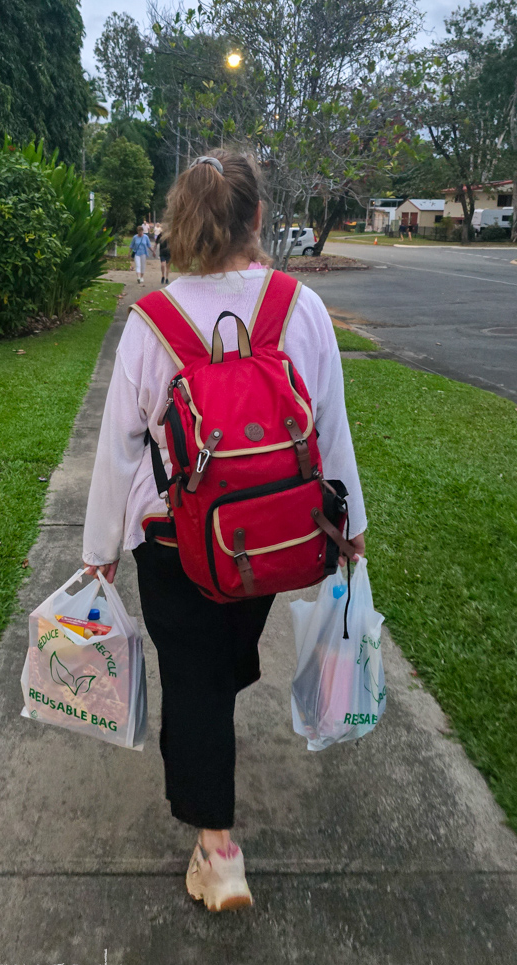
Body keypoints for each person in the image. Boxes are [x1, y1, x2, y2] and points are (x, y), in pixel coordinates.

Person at [82, 149, 366, 912]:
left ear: (179, 224)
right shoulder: (297, 307)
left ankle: (218, 850)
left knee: (197, 680)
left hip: (175, 541)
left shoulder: (155, 321)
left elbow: (119, 444)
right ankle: (212, 744)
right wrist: (352, 527)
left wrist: (99, 550)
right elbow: (329, 427)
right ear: (259, 219)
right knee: (225, 657)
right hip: (273, 533)